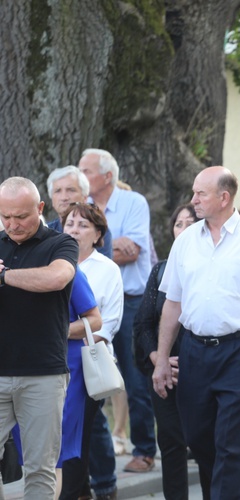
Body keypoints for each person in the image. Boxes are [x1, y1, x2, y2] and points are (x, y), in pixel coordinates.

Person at [153, 166, 240, 499]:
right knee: (198, 438)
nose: (193, 200)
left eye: (200, 193)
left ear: (223, 197)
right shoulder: (186, 241)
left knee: (230, 442)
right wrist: (161, 359)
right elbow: (172, 304)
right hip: (194, 351)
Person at [79, 148, 157, 473]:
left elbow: (134, 250)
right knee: (90, 375)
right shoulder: (83, 207)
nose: (82, 176)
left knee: (135, 376)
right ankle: (86, 457)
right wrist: (111, 245)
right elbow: (81, 247)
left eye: (87, 170)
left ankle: (143, 449)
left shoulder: (133, 202)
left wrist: (96, 248)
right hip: (90, 302)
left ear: (107, 176)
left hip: (132, 300)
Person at [0, 177, 78, 498]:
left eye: (21, 216)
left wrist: (4, 276)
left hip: (44, 373)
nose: (13, 225)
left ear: (40, 208)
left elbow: (57, 277)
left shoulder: (61, 244)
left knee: (40, 468)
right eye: (5, 217)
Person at [133, 204, 198, 499]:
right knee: (171, 442)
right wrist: (158, 359)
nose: (182, 228)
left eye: (190, 222)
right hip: (164, 369)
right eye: (177, 223)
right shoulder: (160, 271)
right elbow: (143, 323)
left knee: (205, 444)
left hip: (203, 367)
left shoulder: (212, 269)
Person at [61, 202, 123, 499]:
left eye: (83, 225)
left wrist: (58, 334)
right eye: (70, 223)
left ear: (98, 235)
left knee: (78, 435)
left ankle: (76, 491)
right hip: (48, 362)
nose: (74, 229)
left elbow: (107, 324)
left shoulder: (107, 269)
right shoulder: (52, 262)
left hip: (86, 362)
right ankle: (79, 490)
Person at [46, 166, 113, 258]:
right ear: (52, 199)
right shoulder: (44, 232)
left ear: (85, 197)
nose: (64, 197)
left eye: (71, 190)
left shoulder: (97, 230)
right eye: (58, 191)